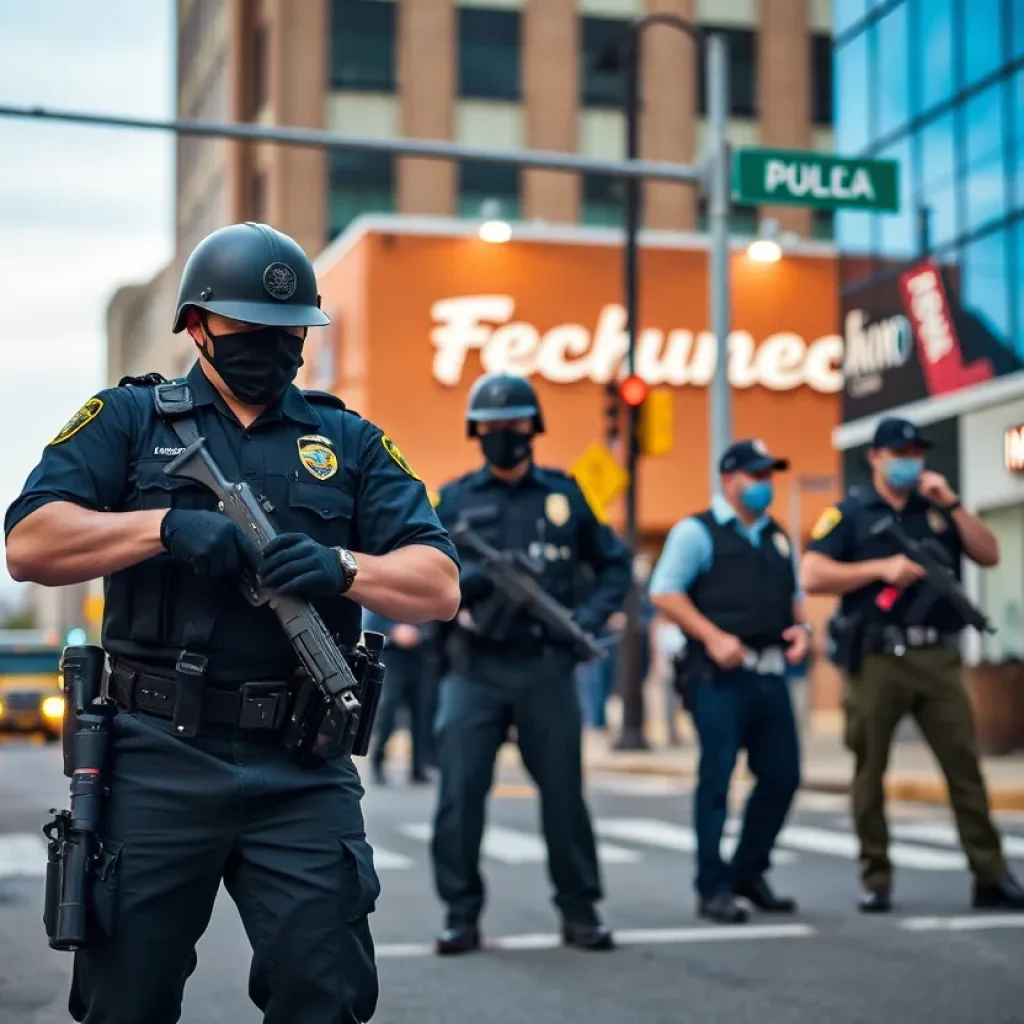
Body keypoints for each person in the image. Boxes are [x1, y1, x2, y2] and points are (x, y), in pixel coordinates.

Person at [4, 221, 460, 1024]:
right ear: (196, 325)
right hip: (154, 756)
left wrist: (344, 567)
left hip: (301, 759)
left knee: (327, 996)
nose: (274, 347)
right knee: (126, 1001)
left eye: (290, 333)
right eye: (251, 329)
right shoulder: (129, 418)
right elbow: (30, 543)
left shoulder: (347, 440)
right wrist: (161, 528)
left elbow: (439, 585)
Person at [429, 371, 632, 955]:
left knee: (565, 794)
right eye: (492, 428)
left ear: (533, 428)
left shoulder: (564, 497)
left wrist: (587, 619)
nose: (503, 435)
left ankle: (580, 909)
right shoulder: (454, 500)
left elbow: (615, 566)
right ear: (476, 432)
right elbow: (428, 573)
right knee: (460, 794)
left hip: (547, 666)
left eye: (514, 425)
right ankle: (460, 914)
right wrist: (477, 586)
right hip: (476, 668)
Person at [801, 416, 1024, 913]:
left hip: (938, 656)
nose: (909, 461)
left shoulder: (936, 512)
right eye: (899, 453)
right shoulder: (850, 514)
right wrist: (880, 569)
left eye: (916, 453)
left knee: (964, 766)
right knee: (869, 769)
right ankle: (875, 877)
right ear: (876, 458)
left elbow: (989, 553)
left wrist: (952, 502)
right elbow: (812, 572)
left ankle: (990, 875)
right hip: (877, 657)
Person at [649, 439, 808, 925]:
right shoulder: (697, 533)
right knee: (717, 780)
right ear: (729, 478)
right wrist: (714, 637)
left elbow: (795, 599)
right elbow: (665, 593)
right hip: (717, 677)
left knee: (783, 775)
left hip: (770, 672)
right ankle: (712, 887)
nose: (765, 485)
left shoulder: (777, 536)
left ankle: (747, 872)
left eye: (769, 476)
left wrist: (802, 631)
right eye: (756, 476)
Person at [363, 608, 434, 785]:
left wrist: (421, 634)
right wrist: (393, 631)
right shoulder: (388, 592)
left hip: (420, 658)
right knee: (388, 711)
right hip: (393, 658)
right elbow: (371, 624)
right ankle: (378, 762)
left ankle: (419, 767)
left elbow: (436, 622)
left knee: (421, 715)